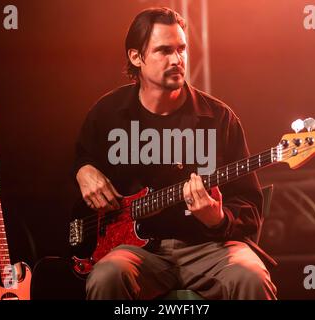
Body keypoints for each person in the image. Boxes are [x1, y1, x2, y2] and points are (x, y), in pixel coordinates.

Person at [73, 7, 277, 300]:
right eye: (164, 51)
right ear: (135, 57)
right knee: (106, 276)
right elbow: (76, 160)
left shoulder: (219, 118)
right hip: (135, 252)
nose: (177, 60)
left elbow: (250, 205)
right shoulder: (107, 113)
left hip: (210, 248)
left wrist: (217, 218)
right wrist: (83, 169)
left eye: (181, 49)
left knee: (250, 275)